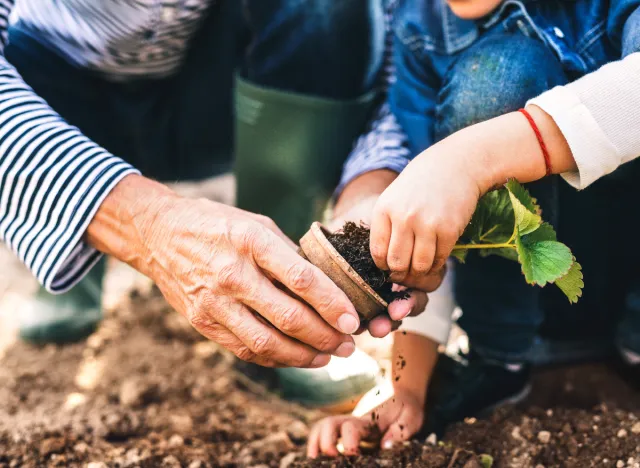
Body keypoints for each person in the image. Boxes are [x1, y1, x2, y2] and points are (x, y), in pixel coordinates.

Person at [0, 1, 432, 372]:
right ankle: (71, 254)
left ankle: (285, 292)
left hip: (217, 92)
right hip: (54, 88)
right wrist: (148, 226)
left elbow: (399, 41)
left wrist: (371, 181)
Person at [307, 0, 640, 457]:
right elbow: (427, 213)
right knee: (496, 75)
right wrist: (406, 387)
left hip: (623, 265)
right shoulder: (419, 26)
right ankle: (497, 361)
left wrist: (473, 158)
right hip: (531, 310)